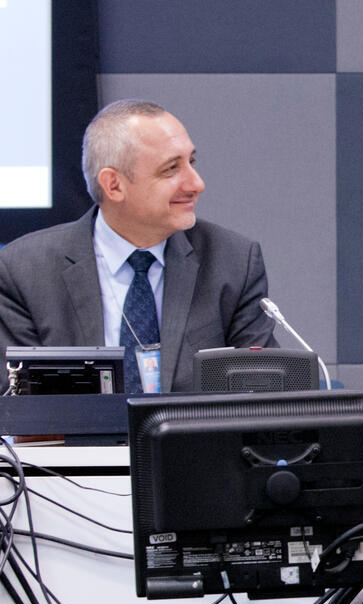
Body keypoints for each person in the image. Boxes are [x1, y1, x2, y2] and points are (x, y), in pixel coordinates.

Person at [0, 99, 275, 393]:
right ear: (114, 185)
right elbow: (18, 403)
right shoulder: (25, 272)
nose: (196, 184)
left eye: (191, 162)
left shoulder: (233, 263)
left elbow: (262, 394)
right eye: (171, 169)